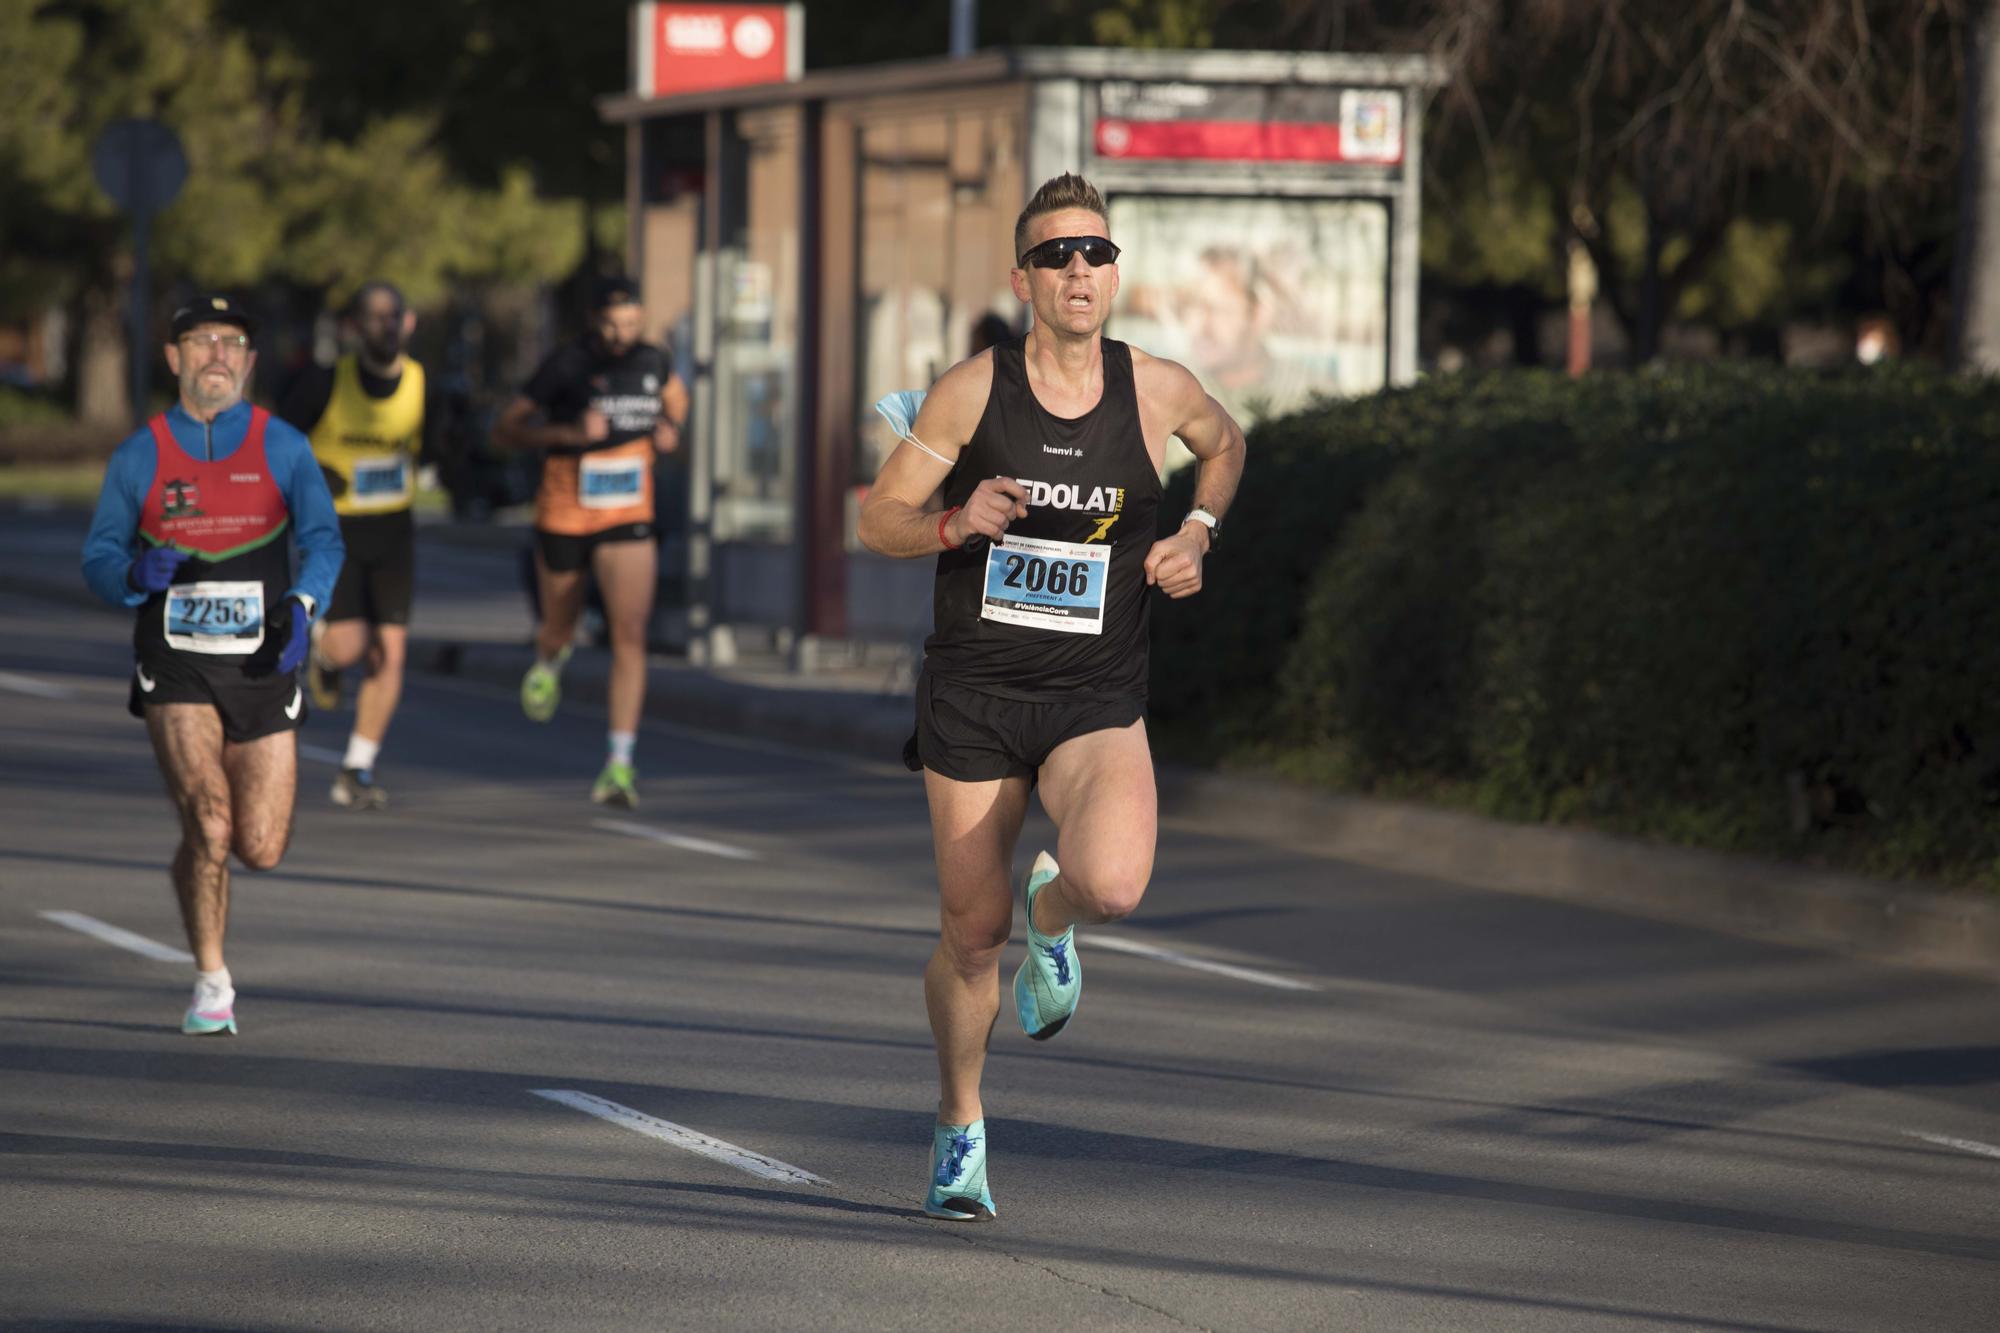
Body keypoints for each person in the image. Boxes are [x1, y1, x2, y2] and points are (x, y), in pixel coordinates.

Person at [857, 173, 1246, 1221]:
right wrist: (949, 521)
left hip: (1094, 696)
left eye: (1096, 253)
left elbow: (1225, 443)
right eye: (1058, 255)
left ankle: (1057, 909)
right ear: (1024, 276)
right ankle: (959, 1122)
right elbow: (876, 517)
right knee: (970, 936)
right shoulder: (971, 391)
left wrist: (1196, 534)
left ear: (1113, 272)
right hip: (977, 694)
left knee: (1112, 883)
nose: (1080, 270)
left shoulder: (1154, 388)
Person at [79, 294, 343, 1035]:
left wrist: (302, 605)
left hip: (265, 660)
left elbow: (325, 542)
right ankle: (212, 982)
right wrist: (133, 575)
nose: (217, 355)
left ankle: (195, 856)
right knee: (214, 820)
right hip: (176, 664)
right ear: (175, 358)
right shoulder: (140, 454)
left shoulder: (284, 446)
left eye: (232, 342)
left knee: (258, 844)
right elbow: (98, 556)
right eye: (201, 341)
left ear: (250, 361)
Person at [491, 274, 688, 808]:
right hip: (565, 513)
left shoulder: (654, 360)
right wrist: (566, 436)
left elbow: (677, 407)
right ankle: (550, 658)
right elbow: (506, 429)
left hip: (628, 512)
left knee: (629, 633)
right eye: (611, 324)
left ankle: (619, 764)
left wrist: (670, 434)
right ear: (593, 321)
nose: (622, 334)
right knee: (560, 624)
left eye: (631, 323)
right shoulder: (566, 366)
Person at [278, 280, 448, 810]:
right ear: (355, 327)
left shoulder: (423, 384)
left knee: (391, 651)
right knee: (353, 646)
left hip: (394, 530)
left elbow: (436, 448)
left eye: (392, 315)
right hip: (335, 533)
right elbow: (275, 444)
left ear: (409, 322)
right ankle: (327, 660)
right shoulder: (326, 382)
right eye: (373, 317)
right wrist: (314, 474)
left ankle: (357, 767)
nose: (385, 326)